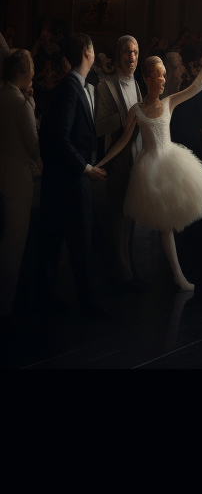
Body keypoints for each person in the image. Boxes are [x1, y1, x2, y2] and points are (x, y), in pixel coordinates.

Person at [92, 51, 202, 291]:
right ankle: (178, 275)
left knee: (169, 222)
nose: (163, 80)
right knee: (164, 224)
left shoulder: (169, 102)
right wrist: (101, 162)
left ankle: (178, 274)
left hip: (172, 162)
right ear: (147, 78)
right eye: (159, 76)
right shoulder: (136, 111)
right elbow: (122, 142)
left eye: (164, 76)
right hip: (150, 169)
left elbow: (199, 85)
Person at [35, 34, 110, 316]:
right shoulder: (69, 88)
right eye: (93, 48)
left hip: (66, 177)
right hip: (69, 179)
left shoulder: (76, 86)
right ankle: (86, 303)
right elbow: (61, 139)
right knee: (77, 243)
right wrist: (87, 168)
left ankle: (49, 298)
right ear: (87, 52)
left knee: (58, 241)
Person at [93, 35, 146, 290]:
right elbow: (100, 126)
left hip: (134, 159)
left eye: (135, 52)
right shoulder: (106, 85)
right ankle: (121, 270)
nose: (132, 57)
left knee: (131, 214)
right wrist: (129, 122)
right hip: (115, 158)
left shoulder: (137, 85)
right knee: (117, 215)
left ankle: (128, 266)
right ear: (118, 55)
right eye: (127, 52)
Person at [1, 49, 40, 317]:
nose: (34, 71)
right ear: (21, 71)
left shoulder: (2, 95)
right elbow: (34, 146)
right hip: (17, 179)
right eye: (31, 67)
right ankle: (5, 306)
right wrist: (36, 118)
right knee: (14, 245)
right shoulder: (20, 102)